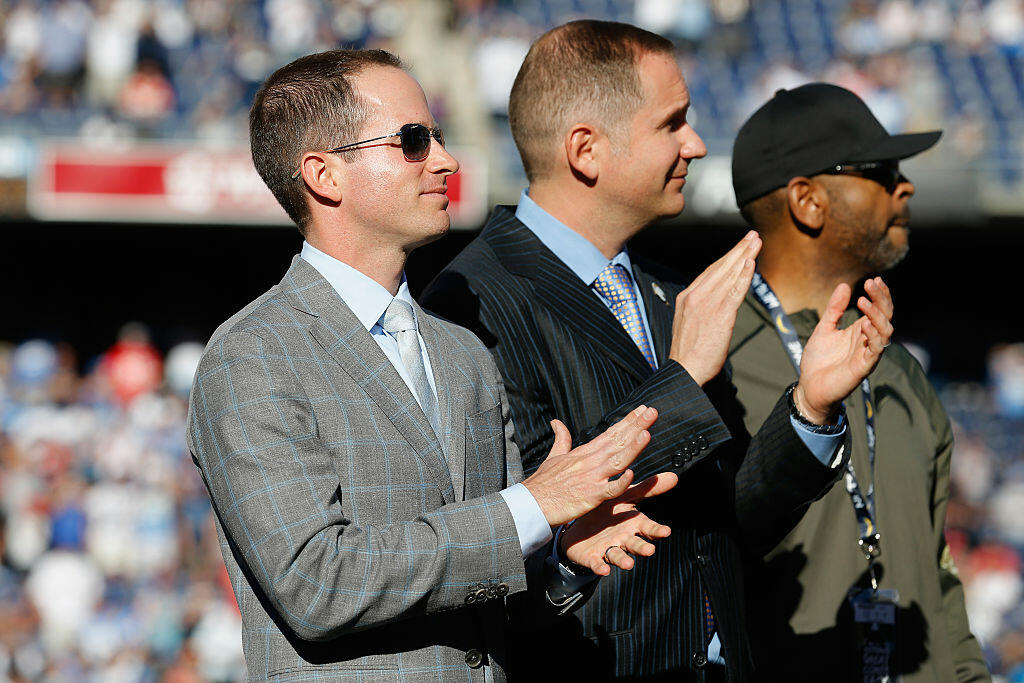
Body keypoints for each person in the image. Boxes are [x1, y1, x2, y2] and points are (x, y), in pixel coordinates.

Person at [185, 48, 681, 681]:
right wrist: (529, 509)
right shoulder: (252, 355)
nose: (445, 160)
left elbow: (489, 589)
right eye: (413, 141)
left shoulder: (462, 352)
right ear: (324, 176)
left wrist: (560, 554)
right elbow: (316, 584)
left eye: (439, 137)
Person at [421, 20, 894, 681]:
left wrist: (810, 411)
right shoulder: (468, 303)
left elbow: (725, 521)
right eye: (672, 123)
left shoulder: (669, 294)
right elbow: (524, 533)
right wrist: (683, 376)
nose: (696, 144)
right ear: (586, 149)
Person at [726, 83, 990, 682]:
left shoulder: (900, 369)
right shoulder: (712, 355)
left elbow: (939, 573)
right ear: (807, 200)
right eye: (881, 170)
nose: (906, 185)